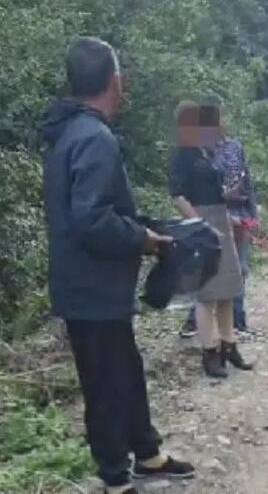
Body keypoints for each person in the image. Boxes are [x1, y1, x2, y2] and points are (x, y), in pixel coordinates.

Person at [41, 37, 194, 494]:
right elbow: (92, 219)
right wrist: (143, 238)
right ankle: (114, 477)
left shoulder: (71, 131)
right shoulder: (94, 137)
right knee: (105, 384)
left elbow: (90, 210)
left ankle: (146, 453)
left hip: (92, 285)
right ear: (115, 81)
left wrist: (141, 226)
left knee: (124, 369)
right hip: (92, 287)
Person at [169, 100, 254, 378]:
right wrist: (200, 224)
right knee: (207, 293)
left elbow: (217, 192)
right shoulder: (182, 154)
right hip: (201, 224)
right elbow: (178, 196)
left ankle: (229, 345)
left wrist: (232, 217)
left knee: (228, 288)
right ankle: (209, 351)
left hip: (221, 219)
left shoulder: (207, 151)